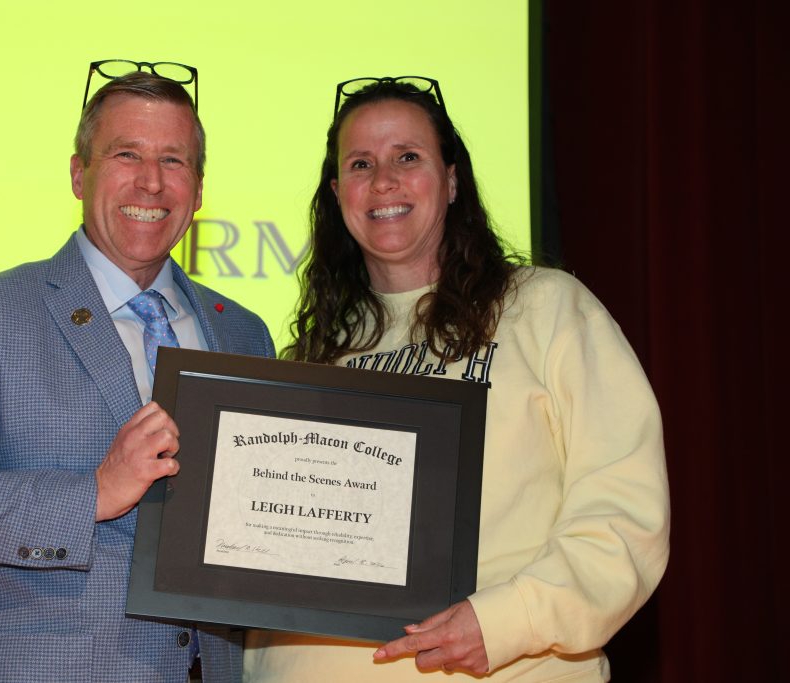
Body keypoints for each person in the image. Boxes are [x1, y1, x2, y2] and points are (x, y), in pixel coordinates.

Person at [0, 65, 274, 682]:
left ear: (199, 189)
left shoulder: (243, 333)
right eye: (127, 154)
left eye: (174, 161)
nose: (151, 182)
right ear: (79, 173)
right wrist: (90, 496)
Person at [243, 77, 669, 681]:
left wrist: (506, 621)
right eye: (361, 163)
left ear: (450, 180)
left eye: (408, 157)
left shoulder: (546, 309)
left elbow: (625, 511)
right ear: (339, 194)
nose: (383, 180)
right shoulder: (306, 358)